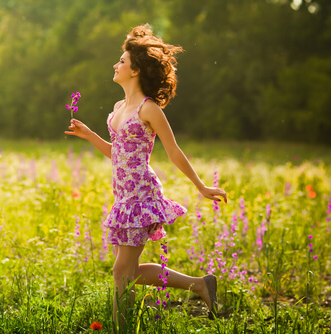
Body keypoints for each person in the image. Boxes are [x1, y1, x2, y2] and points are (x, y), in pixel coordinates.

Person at [64, 24, 227, 331]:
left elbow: (174, 152)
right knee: (128, 272)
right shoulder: (117, 109)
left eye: (122, 62)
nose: (116, 65)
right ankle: (200, 285)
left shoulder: (149, 110)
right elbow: (118, 153)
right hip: (123, 196)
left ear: (136, 70)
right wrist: (89, 135)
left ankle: (120, 328)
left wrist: (201, 186)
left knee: (121, 271)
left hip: (141, 194)